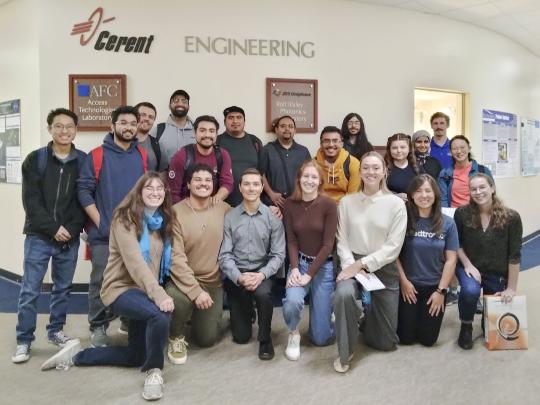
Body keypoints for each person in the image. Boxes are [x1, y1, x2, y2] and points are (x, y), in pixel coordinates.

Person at [41, 172, 176, 401]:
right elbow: (136, 264)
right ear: (139, 192)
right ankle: (154, 372)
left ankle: (77, 356)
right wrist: (160, 295)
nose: (155, 192)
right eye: (149, 188)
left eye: (160, 189)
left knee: (136, 356)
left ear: (165, 193)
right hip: (120, 289)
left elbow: (162, 261)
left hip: (143, 290)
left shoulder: (161, 221)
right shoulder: (124, 219)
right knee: (161, 316)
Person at [12, 108, 86, 364]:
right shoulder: (36, 160)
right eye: (59, 126)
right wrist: (53, 228)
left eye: (69, 126)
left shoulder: (83, 161)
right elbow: (31, 202)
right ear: (50, 128)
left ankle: (55, 331)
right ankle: (24, 340)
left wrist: (72, 230)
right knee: (30, 290)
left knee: (62, 289)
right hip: (39, 236)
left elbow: (84, 200)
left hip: (70, 238)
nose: (64, 131)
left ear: (76, 130)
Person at [78, 105, 147, 347]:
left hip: (135, 233)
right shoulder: (96, 155)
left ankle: (128, 319)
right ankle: (98, 326)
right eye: (123, 122)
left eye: (132, 123)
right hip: (104, 234)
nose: (128, 127)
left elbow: (145, 193)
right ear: (113, 126)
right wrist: (102, 223)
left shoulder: (142, 155)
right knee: (101, 281)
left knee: (132, 278)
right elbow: (84, 192)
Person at [333, 151, 406, 373]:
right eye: (366, 167)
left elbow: (393, 247)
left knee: (386, 343)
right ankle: (345, 351)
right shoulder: (347, 202)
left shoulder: (395, 204)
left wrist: (362, 265)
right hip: (350, 261)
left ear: (384, 171)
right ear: (360, 171)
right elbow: (341, 239)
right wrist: (351, 266)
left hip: (382, 265)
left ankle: (363, 318)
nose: (370, 172)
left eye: (376, 167)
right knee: (344, 294)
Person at [165, 164, 231, 364]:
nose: (203, 184)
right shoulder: (175, 212)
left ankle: (198, 316)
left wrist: (274, 211)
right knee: (180, 300)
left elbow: (248, 214)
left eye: (208, 180)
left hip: (212, 282)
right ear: (188, 184)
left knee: (207, 339)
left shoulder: (224, 208)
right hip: (182, 281)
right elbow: (176, 258)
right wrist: (195, 291)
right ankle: (175, 335)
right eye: (198, 180)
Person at [218, 168, 286, 360]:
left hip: (262, 271)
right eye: (246, 184)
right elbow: (225, 255)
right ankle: (247, 312)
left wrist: (261, 275)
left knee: (263, 294)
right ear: (239, 187)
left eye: (256, 184)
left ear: (262, 187)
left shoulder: (273, 217)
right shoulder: (230, 217)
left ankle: (265, 338)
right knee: (241, 337)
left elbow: (278, 254)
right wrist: (239, 277)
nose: (251, 188)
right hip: (237, 272)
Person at [454, 173, 522, 350]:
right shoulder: (462, 214)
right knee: (470, 291)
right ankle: (466, 325)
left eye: (482, 187)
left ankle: (486, 320)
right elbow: (457, 244)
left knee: (492, 324)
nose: (478, 192)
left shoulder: (511, 218)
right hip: (469, 266)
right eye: (473, 189)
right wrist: (468, 265)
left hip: (496, 270)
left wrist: (511, 288)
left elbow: (514, 255)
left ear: (492, 188)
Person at [282, 160, 337, 360]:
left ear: (320, 181)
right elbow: (292, 240)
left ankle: (332, 315)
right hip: (300, 263)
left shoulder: (329, 205)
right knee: (292, 302)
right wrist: (295, 269)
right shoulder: (289, 204)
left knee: (321, 338)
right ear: (299, 179)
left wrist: (309, 275)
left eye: (314, 177)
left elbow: (327, 245)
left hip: (324, 266)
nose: (309, 181)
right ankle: (294, 333)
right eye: (306, 176)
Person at [397, 174, 458, 347]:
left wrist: (441, 292)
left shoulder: (448, 223)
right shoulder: (403, 220)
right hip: (409, 286)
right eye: (418, 191)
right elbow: (393, 255)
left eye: (428, 191)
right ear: (411, 196)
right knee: (406, 339)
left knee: (428, 340)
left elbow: (451, 260)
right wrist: (404, 282)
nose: (424, 195)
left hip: (434, 288)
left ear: (435, 194)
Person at [167, 115, 233, 204]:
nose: (207, 135)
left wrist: (217, 198)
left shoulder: (222, 155)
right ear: (194, 133)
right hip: (186, 208)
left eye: (211, 131)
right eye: (202, 130)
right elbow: (173, 192)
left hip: (212, 206)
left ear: (216, 134)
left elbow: (227, 183)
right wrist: (183, 212)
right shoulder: (182, 155)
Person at [216, 106, 263, 207]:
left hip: (252, 203)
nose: (235, 121)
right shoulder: (217, 142)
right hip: (223, 204)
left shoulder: (255, 141)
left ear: (244, 121)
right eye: (231, 117)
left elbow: (262, 172)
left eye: (239, 117)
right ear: (224, 122)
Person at [261, 115, 311, 209]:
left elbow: (309, 175)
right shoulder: (267, 150)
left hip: (298, 204)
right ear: (276, 129)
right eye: (283, 126)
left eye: (290, 126)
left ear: (295, 130)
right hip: (272, 205)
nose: (287, 129)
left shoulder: (303, 151)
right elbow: (261, 174)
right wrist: (271, 194)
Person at [438, 135, 492, 208]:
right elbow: (443, 201)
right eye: (455, 149)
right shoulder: (445, 174)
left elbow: (491, 195)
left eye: (462, 147)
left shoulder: (483, 171)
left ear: (469, 149)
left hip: (477, 214)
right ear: (450, 152)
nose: (459, 151)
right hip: (454, 215)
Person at [150, 89, 195, 170]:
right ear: (169, 105)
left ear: (188, 106)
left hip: (193, 181)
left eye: (184, 101)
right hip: (165, 180)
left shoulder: (198, 130)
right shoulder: (158, 130)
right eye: (176, 101)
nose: (180, 103)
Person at [315, 126, 360, 202]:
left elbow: (353, 197)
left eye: (335, 141)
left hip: (345, 208)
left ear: (342, 143)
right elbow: (311, 194)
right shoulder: (313, 164)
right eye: (326, 141)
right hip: (320, 208)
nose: (331, 145)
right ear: (321, 144)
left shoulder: (353, 163)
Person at [385, 133, 418, 201]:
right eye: (394, 148)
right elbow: (376, 192)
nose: (399, 151)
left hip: (413, 208)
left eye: (403, 147)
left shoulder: (417, 168)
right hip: (391, 207)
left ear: (409, 149)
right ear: (389, 150)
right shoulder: (384, 168)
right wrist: (394, 196)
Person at [135, 102, 161, 171]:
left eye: (151, 117)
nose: (147, 119)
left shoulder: (157, 145)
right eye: (143, 115)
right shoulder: (122, 142)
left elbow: (163, 171)